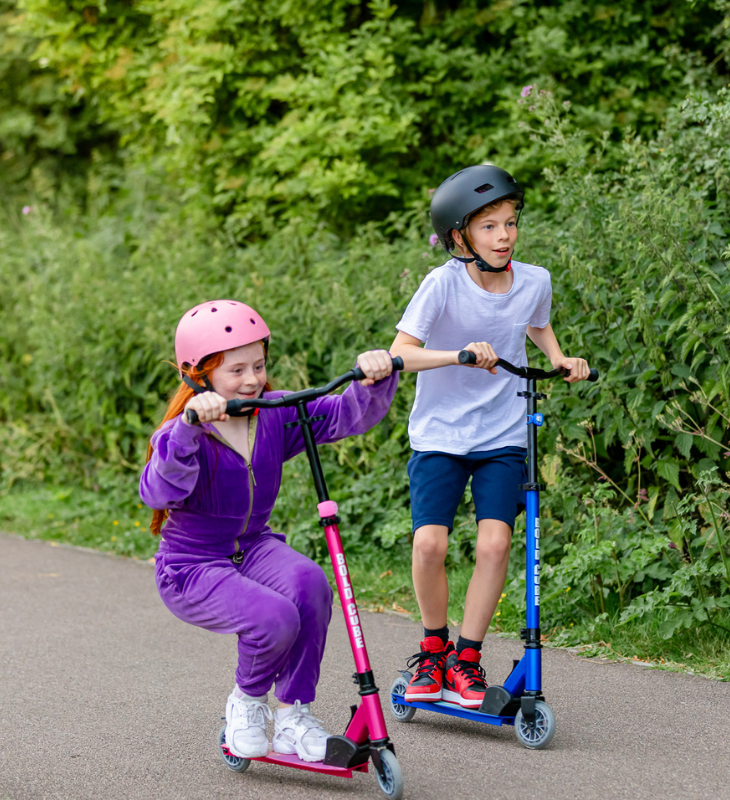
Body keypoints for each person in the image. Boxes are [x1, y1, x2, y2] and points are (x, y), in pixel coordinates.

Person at [140, 299, 397, 760]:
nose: (253, 379)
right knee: (272, 618)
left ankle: (294, 717)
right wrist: (189, 429)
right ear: (198, 375)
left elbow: (345, 414)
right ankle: (246, 702)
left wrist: (373, 379)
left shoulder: (274, 412)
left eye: (258, 365)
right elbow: (157, 492)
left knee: (310, 584)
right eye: (236, 370)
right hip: (191, 565)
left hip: (254, 546)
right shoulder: (181, 433)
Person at [390, 165, 590, 708]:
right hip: (440, 433)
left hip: (502, 432)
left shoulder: (535, 279)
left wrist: (559, 358)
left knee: (495, 542)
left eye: (510, 223)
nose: (504, 236)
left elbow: (535, 321)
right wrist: (457, 355)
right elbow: (400, 353)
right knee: (430, 543)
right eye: (489, 227)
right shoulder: (442, 284)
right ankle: (433, 650)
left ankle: (467, 659)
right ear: (460, 237)